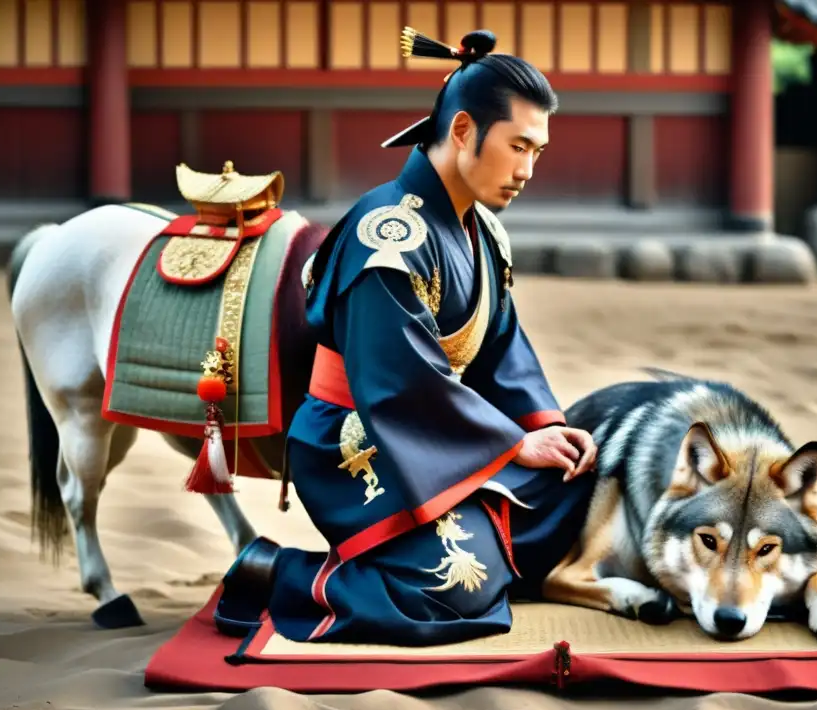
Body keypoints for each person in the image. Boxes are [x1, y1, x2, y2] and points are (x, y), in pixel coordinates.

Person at [214, 26, 600, 646]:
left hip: (447, 430)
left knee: (576, 490)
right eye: (518, 147)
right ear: (465, 130)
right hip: (363, 438)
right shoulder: (387, 237)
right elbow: (396, 382)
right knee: (458, 582)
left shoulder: (483, 231)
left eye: (539, 152)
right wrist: (509, 448)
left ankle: (486, 532)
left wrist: (540, 427)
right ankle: (273, 573)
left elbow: (503, 348)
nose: (528, 170)